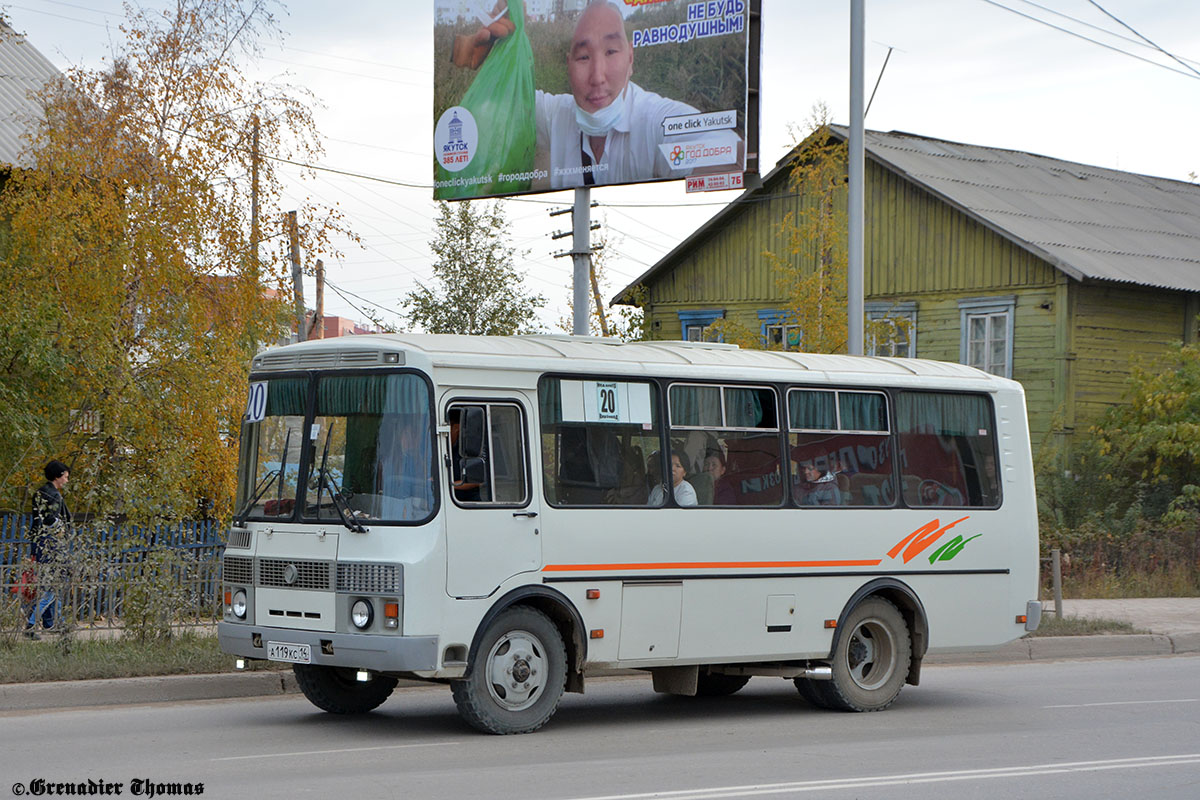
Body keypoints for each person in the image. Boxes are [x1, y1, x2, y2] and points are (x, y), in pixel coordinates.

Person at [534, 1, 741, 189]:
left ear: (630, 58)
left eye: (611, 52)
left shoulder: (654, 120)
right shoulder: (556, 116)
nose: (597, 77)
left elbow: (734, 155)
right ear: (568, 65)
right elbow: (510, 95)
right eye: (584, 57)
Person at [24, 460, 70, 638]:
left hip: (40, 543)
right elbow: (50, 519)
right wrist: (62, 530)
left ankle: (52, 623)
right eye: (65, 477)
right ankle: (31, 624)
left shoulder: (40, 493)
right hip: (52, 545)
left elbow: (37, 520)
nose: (66, 480)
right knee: (53, 586)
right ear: (58, 477)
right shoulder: (53, 495)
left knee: (49, 583)